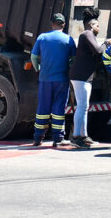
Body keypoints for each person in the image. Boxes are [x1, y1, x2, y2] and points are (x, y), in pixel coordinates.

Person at [30, 13, 77, 147]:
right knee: (58, 109)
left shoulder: (42, 37)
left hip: (45, 79)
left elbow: (33, 57)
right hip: (62, 79)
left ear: (52, 24)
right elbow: (73, 60)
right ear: (64, 25)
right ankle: (58, 139)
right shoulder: (68, 39)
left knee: (43, 107)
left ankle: (38, 138)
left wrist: (38, 68)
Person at [69, 17, 111, 148]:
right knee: (82, 106)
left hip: (84, 76)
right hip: (80, 76)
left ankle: (84, 135)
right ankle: (76, 136)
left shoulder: (88, 36)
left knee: (84, 107)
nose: (99, 28)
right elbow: (98, 50)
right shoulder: (87, 34)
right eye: (97, 25)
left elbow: (96, 55)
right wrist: (107, 43)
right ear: (91, 25)